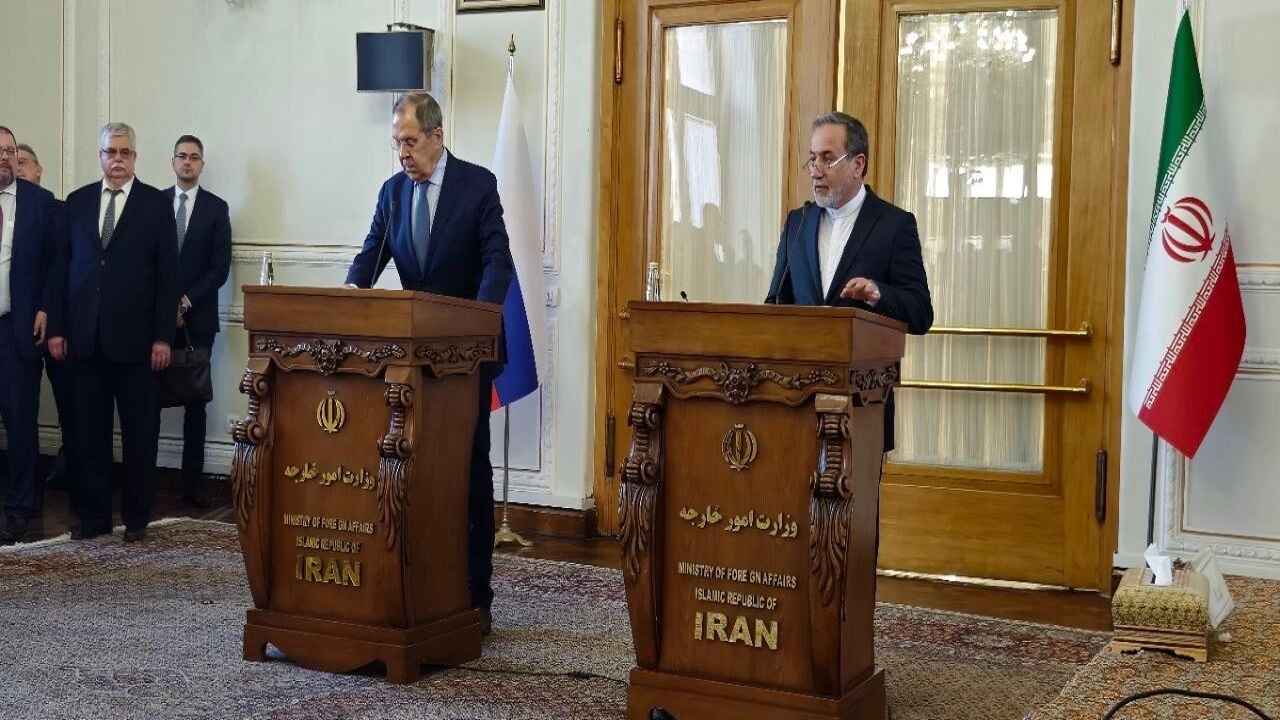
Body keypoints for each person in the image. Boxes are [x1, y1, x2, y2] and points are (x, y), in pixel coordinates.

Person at [345, 92, 513, 635]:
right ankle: (420, 588)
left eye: (411, 142)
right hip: (410, 361)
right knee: (411, 470)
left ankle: (476, 596)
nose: (403, 153)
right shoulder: (392, 194)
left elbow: (497, 262)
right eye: (396, 143)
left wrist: (475, 324)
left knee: (467, 471)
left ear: (437, 137)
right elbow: (371, 255)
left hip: (464, 361)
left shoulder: (478, 185)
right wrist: (350, 296)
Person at [765, 111, 933, 451]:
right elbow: (775, 303)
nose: (816, 169)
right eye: (812, 158)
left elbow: (920, 314)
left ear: (858, 164)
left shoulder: (894, 226)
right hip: (796, 405)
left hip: (862, 407)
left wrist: (877, 294)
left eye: (827, 158)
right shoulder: (798, 222)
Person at [47, 122, 179, 543]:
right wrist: (57, 328)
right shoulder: (77, 202)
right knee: (89, 435)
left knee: (140, 436)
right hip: (85, 340)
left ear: (135, 157)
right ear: (100, 156)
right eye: (110, 152)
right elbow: (61, 270)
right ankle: (94, 517)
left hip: (138, 344)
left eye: (125, 152)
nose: (117, 159)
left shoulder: (155, 205)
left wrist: (163, 337)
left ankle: (136, 518)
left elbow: (168, 276)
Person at [0, 127, 61, 544]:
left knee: (21, 421)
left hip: (16, 328)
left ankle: (20, 507)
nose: (5, 157)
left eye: (9, 151)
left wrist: (45, 308)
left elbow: (55, 263)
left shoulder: (40, 202)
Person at [165, 135, 231, 508]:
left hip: (198, 321)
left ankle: (192, 488)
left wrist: (185, 302)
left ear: (202, 165)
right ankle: (141, 484)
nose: (188, 162)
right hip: (156, 321)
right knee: (148, 400)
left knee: (195, 404)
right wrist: (165, 307)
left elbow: (219, 268)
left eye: (194, 157)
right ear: (172, 162)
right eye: (182, 156)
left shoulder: (216, 209)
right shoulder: (154, 204)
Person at [12, 142, 77, 495]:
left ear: (39, 170)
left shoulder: (57, 209)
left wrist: (50, 311)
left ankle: (73, 468)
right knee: (20, 405)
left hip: (57, 324)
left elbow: (63, 266)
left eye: (25, 162)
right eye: (15, 162)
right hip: (17, 327)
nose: (19, 167)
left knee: (69, 399)